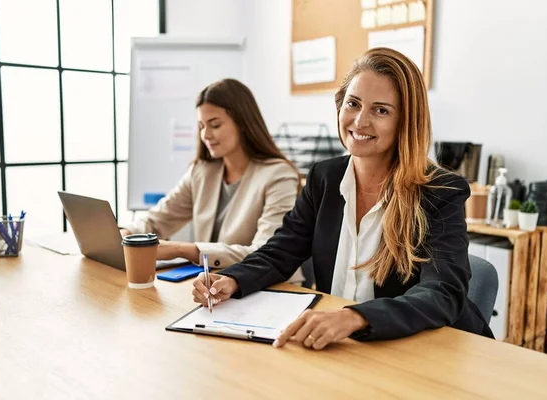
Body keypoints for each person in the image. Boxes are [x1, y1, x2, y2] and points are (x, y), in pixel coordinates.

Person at [192, 48, 494, 349]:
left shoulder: (439, 190)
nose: (360, 121)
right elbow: (281, 251)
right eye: (353, 103)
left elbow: (442, 292)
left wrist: (356, 317)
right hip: (348, 348)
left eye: (381, 110)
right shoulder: (325, 177)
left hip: (427, 350)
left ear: (405, 122)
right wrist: (232, 280)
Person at [121, 79, 300, 270]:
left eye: (214, 125)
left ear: (243, 123)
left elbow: (266, 253)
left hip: (269, 287)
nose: (206, 135)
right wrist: (128, 232)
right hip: (214, 284)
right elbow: (158, 219)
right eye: (201, 126)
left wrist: (182, 249)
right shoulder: (202, 171)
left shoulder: (279, 175)